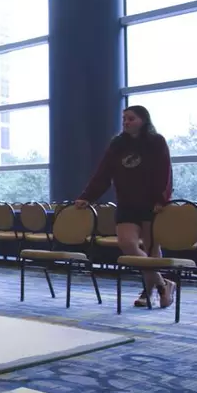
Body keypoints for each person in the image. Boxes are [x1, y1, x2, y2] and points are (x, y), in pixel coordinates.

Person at [75, 105, 175, 309]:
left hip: (151, 204)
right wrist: (88, 197)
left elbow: (165, 172)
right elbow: (103, 174)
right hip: (127, 203)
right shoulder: (117, 145)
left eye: (131, 119)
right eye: (124, 119)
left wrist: (161, 199)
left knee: (151, 249)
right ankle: (164, 283)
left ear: (143, 120)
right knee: (127, 244)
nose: (126, 122)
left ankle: (148, 292)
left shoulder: (156, 142)